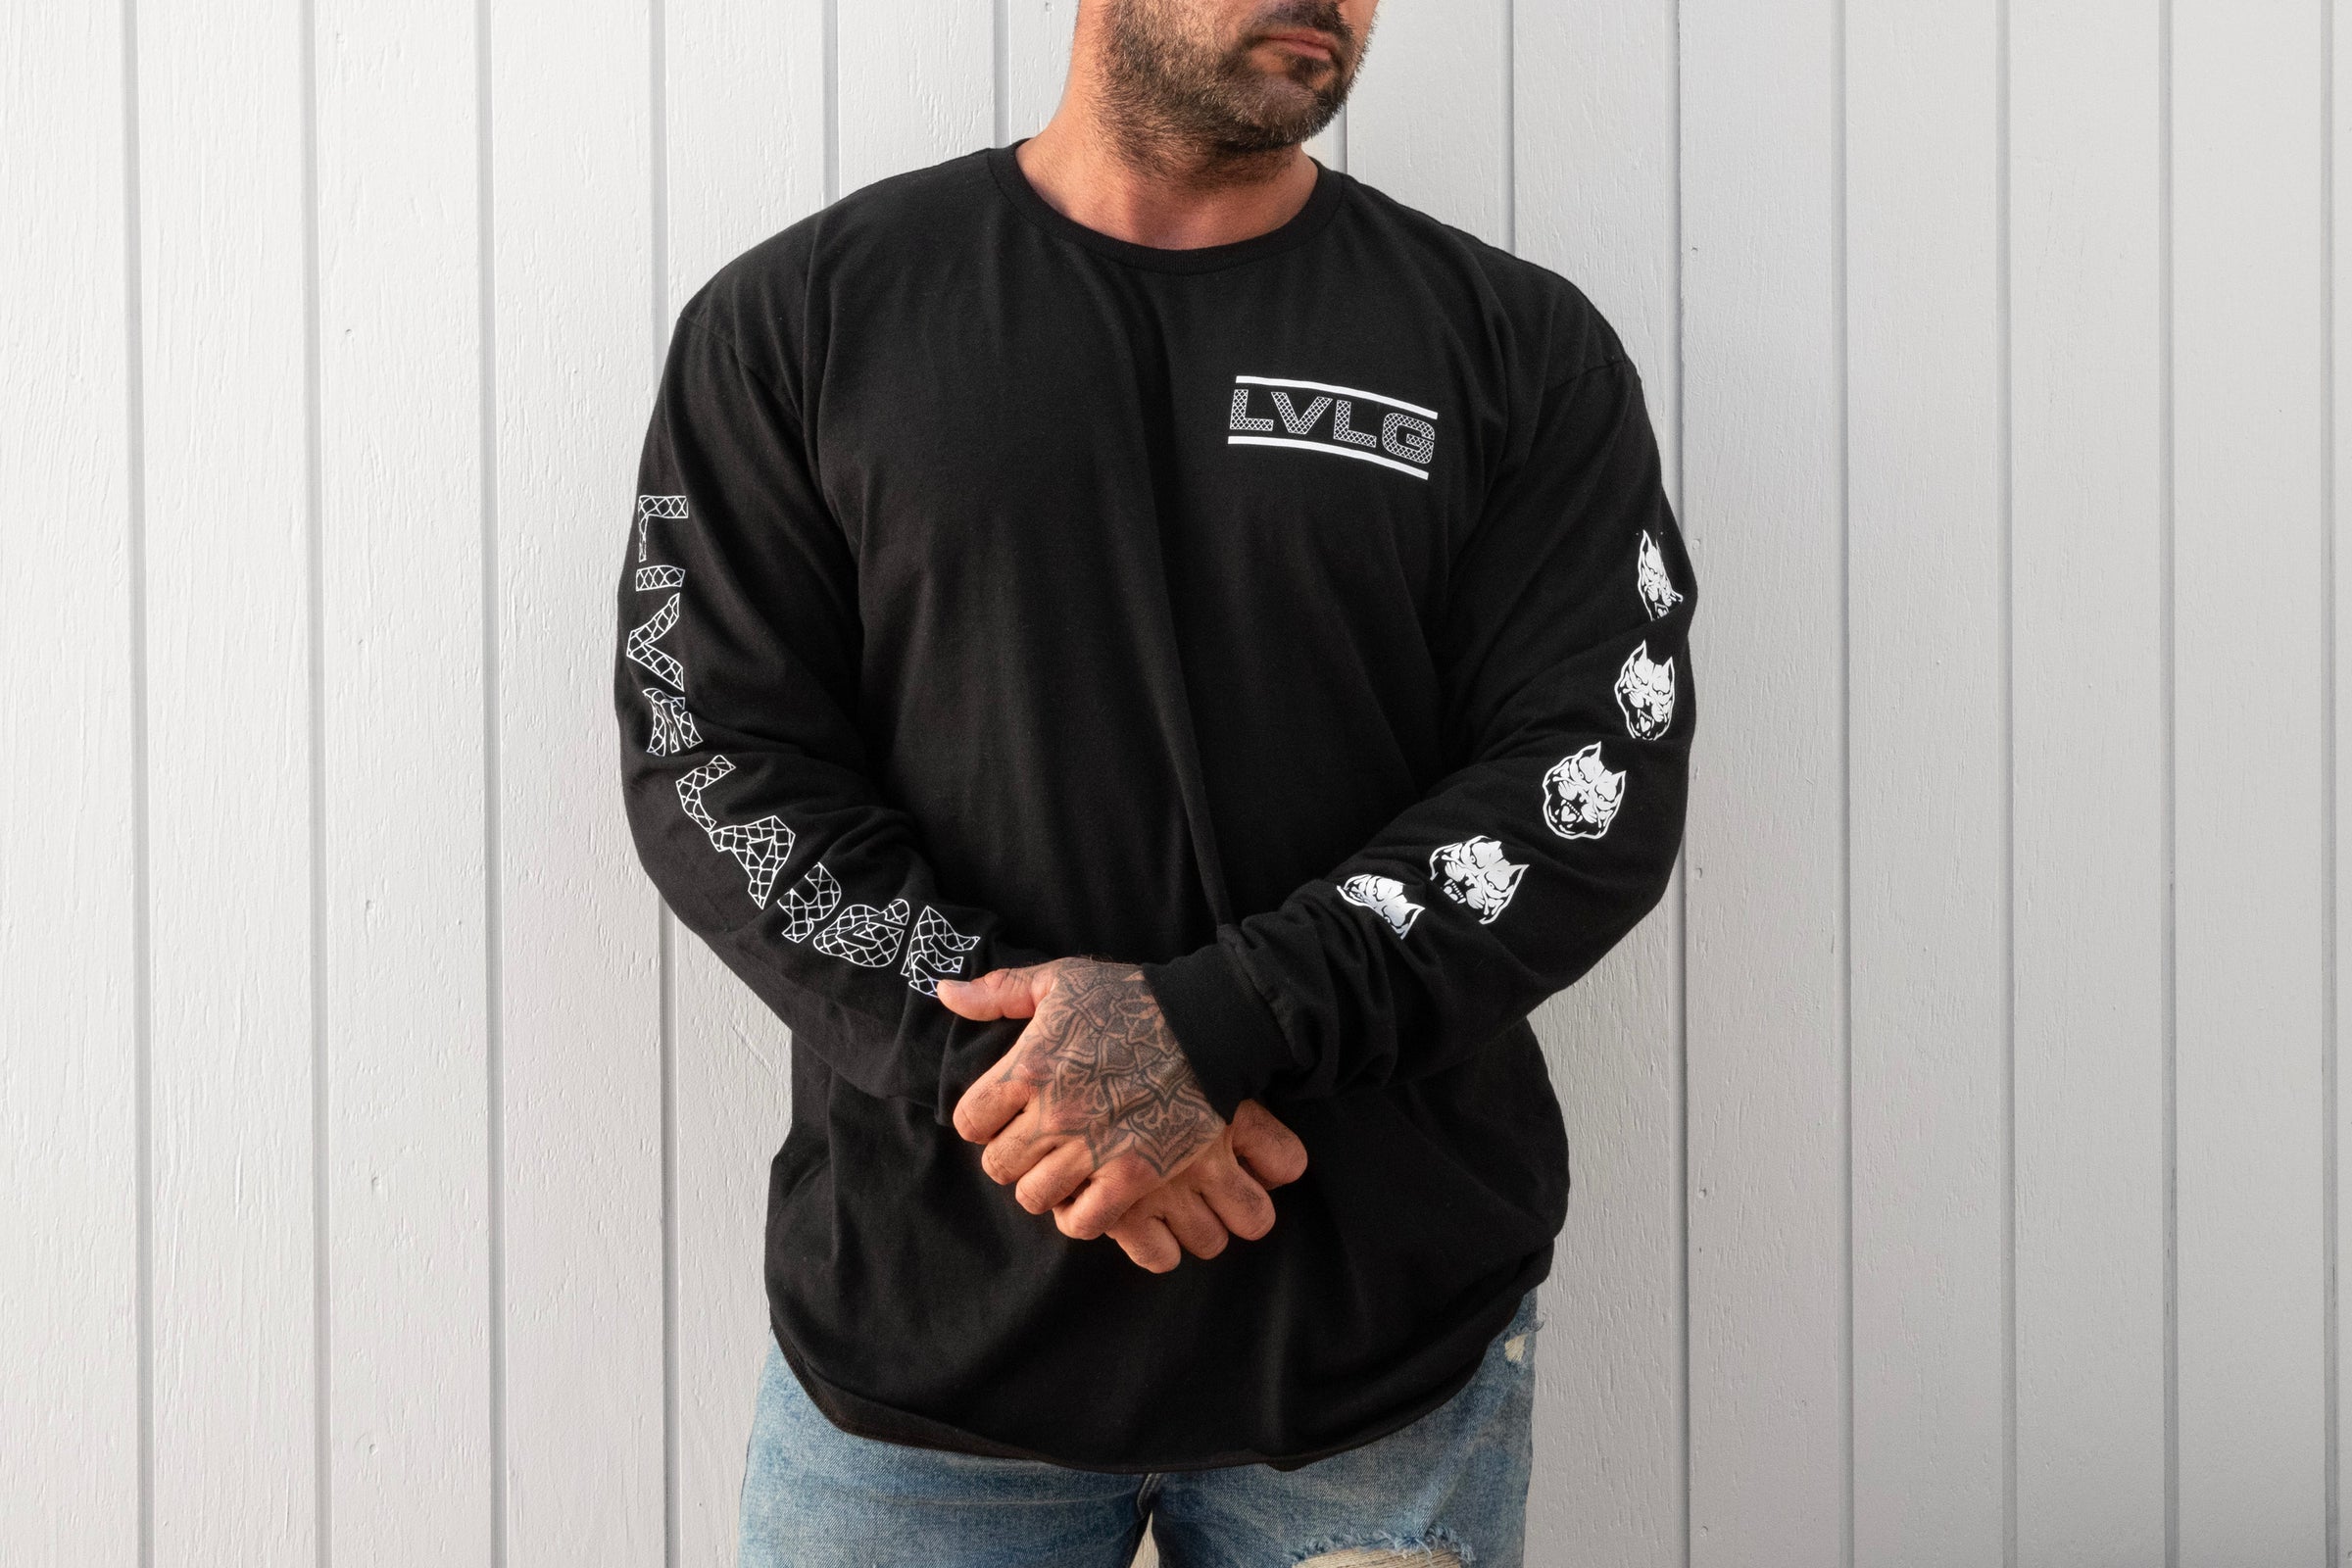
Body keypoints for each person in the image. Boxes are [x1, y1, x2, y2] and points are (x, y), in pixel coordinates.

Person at [611, 0, 1697, 1560]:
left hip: (1374, 1373)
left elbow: (1593, 773)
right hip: (926, 1364)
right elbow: (713, 752)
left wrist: (1217, 1024)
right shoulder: (806, 318)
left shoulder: (1514, 345)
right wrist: (1043, 1068)